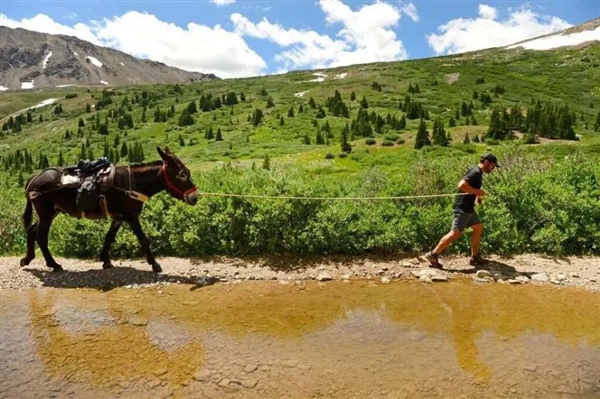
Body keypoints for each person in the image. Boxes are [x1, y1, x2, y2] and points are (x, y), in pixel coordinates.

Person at [424, 152, 500, 268]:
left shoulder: (478, 173)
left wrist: (477, 197)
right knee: (455, 233)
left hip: (469, 207)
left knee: (478, 228)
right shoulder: (474, 172)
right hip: (462, 207)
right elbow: (461, 185)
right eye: (492, 166)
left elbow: (471, 188)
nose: (493, 168)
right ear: (486, 162)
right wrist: (477, 192)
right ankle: (433, 254)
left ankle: (475, 258)